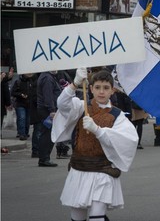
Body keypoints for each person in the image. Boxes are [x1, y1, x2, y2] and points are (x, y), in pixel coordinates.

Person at [52, 68, 138, 221]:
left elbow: (128, 140)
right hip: (79, 169)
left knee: (96, 217)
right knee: (77, 217)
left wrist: (98, 131)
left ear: (113, 90)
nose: (101, 92)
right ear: (91, 89)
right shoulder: (80, 107)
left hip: (102, 171)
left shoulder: (117, 115)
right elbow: (62, 104)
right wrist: (75, 83)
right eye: (97, 87)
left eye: (106, 88)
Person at [36, 70, 62, 167]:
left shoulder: (47, 76)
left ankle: (44, 158)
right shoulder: (47, 78)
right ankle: (44, 158)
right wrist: (52, 110)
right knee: (47, 134)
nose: (56, 69)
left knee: (46, 133)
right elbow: (48, 95)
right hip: (47, 110)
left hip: (46, 109)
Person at [10, 73, 38, 141]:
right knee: (22, 118)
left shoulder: (33, 81)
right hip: (20, 103)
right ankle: (22, 133)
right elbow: (13, 92)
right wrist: (21, 94)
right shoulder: (18, 81)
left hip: (29, 104)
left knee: (27, 119)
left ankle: (25, 132)